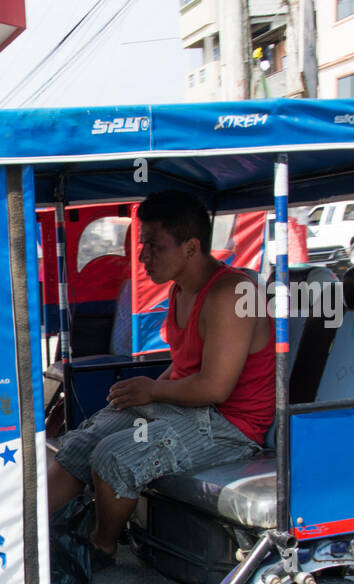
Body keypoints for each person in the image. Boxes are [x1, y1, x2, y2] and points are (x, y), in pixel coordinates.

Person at [48, 190, 274, 563]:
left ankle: (101, 546)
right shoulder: (180, 289)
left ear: (190, 247)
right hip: (186, 410)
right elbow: (185, 365)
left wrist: (153, 390)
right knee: (80, 442)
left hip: (230, 426)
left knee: (115, 457)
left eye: (154, 247)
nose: (142, 257)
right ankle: (28, 537)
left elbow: (216, 388)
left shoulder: (232, 292)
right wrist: (148, 392)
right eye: (143, 245)